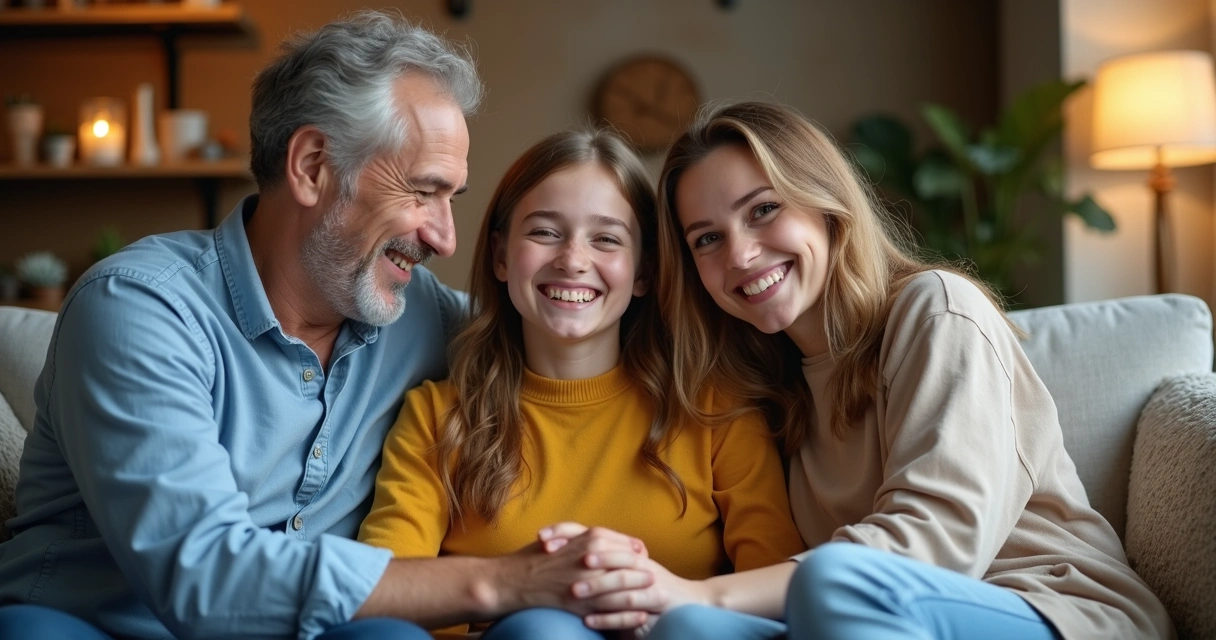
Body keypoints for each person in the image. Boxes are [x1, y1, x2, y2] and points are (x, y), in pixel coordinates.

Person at [0, 12, 655, 640]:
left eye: (450, 199)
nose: (445, 237)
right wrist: (505, 582)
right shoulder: (138, 308)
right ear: (313, 165)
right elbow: (202, 576)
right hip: (94, 625)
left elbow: (568, 356)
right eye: (422, 192)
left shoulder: (422, 315)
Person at [549, 101, 1176, 640]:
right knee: (689, 628)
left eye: (763, 210)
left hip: (1053, 611)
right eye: (706, 239)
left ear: (825, 206)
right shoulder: (767, 379)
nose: (740, 253)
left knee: (823, 581)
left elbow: (935, 546)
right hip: (862, 614)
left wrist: (699, 592)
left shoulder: (936, 309)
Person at [358, 127, 805, 639]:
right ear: (502, 256)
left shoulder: (714, 412)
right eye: (545, 232)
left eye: (607, 239)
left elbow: (772, 593)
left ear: (644, 272)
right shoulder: (439, 416)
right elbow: (380, 588)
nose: (572, 259)